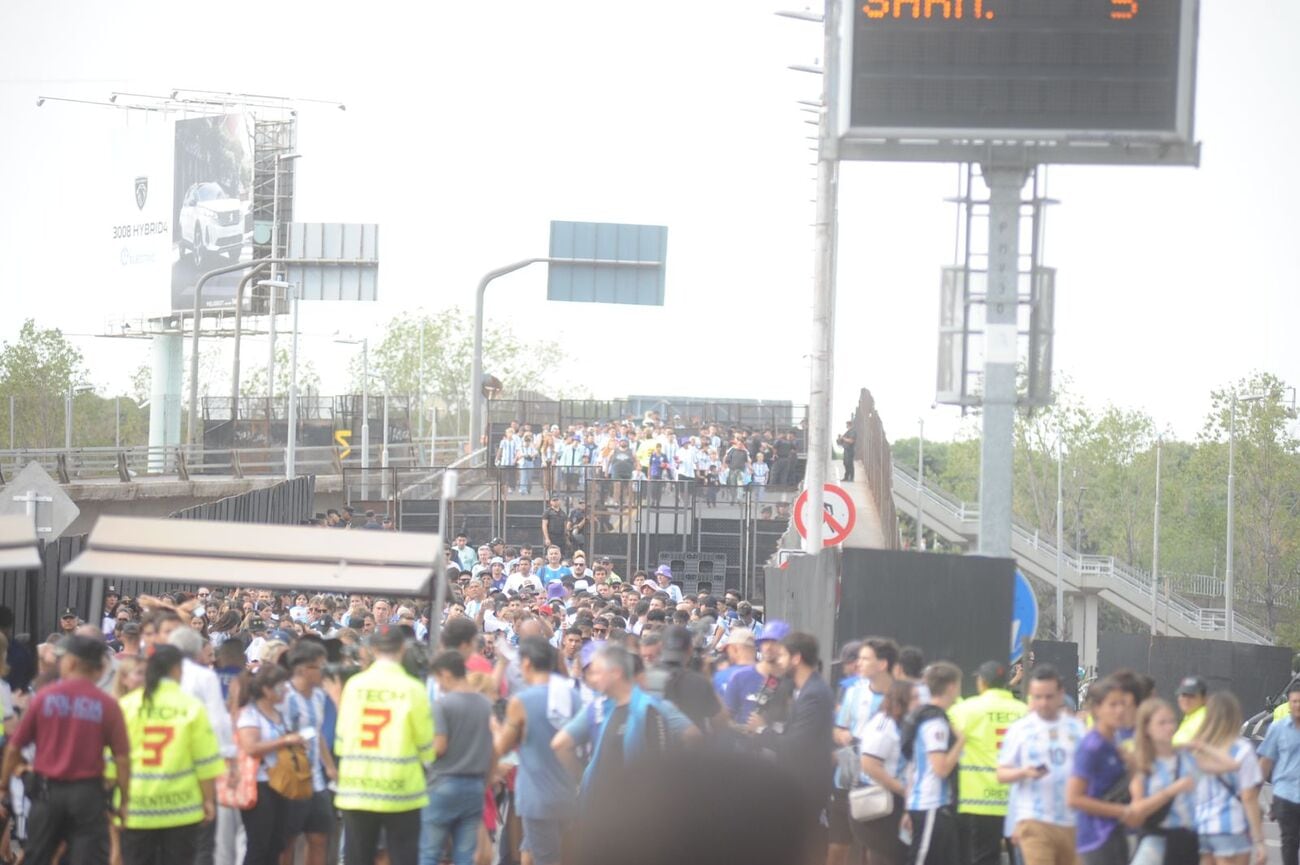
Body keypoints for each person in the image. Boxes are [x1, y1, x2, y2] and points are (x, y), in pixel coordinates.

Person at [0, 635, 130, 865]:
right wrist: (125, 800)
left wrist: (4, 786)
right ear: (100, 669)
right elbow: (122, 757)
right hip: (88, 796)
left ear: (69, 663)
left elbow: (15, 746)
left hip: (47, 793)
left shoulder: (44, 698)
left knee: (38, 856)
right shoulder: (108, 705)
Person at [334, 627, 435, 865]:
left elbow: (340, 741)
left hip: (356, 788)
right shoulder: (413, 689)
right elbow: (427, 746)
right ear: (403, 648)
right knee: (403, 856)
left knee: (357, 858)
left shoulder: (354, 686)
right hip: (401, 790)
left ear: (373, 649)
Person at [118, 645, 223, 865]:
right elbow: (204, 761)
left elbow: (113, 759)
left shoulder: (127, 706)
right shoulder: (191, 707)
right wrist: (209, 800)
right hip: (182, 809)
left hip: (136, 807)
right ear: (177, 670)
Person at [746, 632, 834, 865]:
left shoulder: (813, 694)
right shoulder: (801, 690)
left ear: (796, 658)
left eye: (783, 655)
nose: (778, 661)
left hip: (807, 785)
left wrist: (762, 731)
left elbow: (797, 744)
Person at [493, 637, 582, 865]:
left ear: (526, 663)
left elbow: (502, 746)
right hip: (566, 792)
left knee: (546, 857)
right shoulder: (572, 695)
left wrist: (492, 725)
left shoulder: (521, 701)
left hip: (536, 796)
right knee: (531, 848)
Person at [996, 664, 1086, 865]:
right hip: (1034, 820)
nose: (1043, 703)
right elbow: (1001, 773)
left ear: (1060, 694)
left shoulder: (1077, 729)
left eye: (1049, 696)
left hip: (1072, 821)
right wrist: (1023, 772)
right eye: (1037, 697)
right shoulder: (1020, 729)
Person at [1127, 697, 1233, 865]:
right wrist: (1172, 790)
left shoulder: (1186, 757)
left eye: (1171, 721)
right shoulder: (1142, 764)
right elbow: (1137, 809)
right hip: (1158, 837)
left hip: (1189, 840)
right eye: (1161, 723)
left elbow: (1230, 765)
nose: (1169, 727)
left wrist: (1201, 746)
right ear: (1146, 728)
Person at [420, 651, 494, 865]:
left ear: (446, 674)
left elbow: (439, 746)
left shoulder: (442, 705)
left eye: (438, 679)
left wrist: (422, 753)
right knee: (465, 855)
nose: (439, 685)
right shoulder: (485, 704)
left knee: (430, 853)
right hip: (474, 785)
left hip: (443, 783)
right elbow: (494, 747)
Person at [950, 660, 1027, 865]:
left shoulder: (966, 710)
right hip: (1018, 802)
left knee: (984, 859)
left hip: (979, 802)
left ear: (981, 682)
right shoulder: (1025, 712)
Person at [235, 664, 301, 865]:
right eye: (281, 686)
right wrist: (285, 741)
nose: (286, 691)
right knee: (259, 844)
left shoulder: (278, 712)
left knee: (276, 843)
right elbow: (251, 747)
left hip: (280, 783)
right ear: (266, 689)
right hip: (259, 785)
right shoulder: (250, 714)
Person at [1066, 677, 1135, 865]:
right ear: (1096, 708)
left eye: (1122, 704)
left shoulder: (1115, 742)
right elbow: (1074, 798)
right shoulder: (1092, 747)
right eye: (1112, 705)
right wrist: (1122, 810)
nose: (1120, 710)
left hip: (1116, 833)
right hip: (1096, 839)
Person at [902, 660, 965, 865]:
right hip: (930, 802)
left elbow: (912, 766)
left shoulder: (926, 716)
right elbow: (941, 768)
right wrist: (960, 743)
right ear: (952, 687)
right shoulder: (935, 722)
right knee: (921, 858)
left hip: (927, 802)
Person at [1191, 692, 1265, 865]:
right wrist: (1259, 841)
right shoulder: (1242, 749)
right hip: (1231, 827)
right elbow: (1249, 797)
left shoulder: (1197, 750)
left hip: (1201, 827)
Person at [281, 641, 337, 865]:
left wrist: (330, 766)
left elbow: (317, 733)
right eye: (320, 666)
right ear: (304, 669)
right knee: (287, 841)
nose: (324, 671)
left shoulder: (319, 696)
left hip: (316, 780)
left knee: (319, 837)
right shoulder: (284, 695)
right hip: (290, 780)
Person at [856, 679, 915, 865]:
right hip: (881, 801)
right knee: (886, 857)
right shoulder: (884, 725)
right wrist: (903, 791)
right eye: (916, 698)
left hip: (896, 798)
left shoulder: (904, 724)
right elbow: (869, 764)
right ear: (902, 700)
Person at [1260, 681, 1300, 865]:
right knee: (1289, 841)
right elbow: (1266, 761)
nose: (1297, 706)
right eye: (1294, 701)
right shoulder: (1278, 728)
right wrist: (1257, 794)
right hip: (1285, 795)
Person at [1172, 675, 1208, 746]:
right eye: (1183, 695)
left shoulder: (1204, 717)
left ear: (1204, 699)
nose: (1186, 700)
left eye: (1191, 696)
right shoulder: (1191, 716)